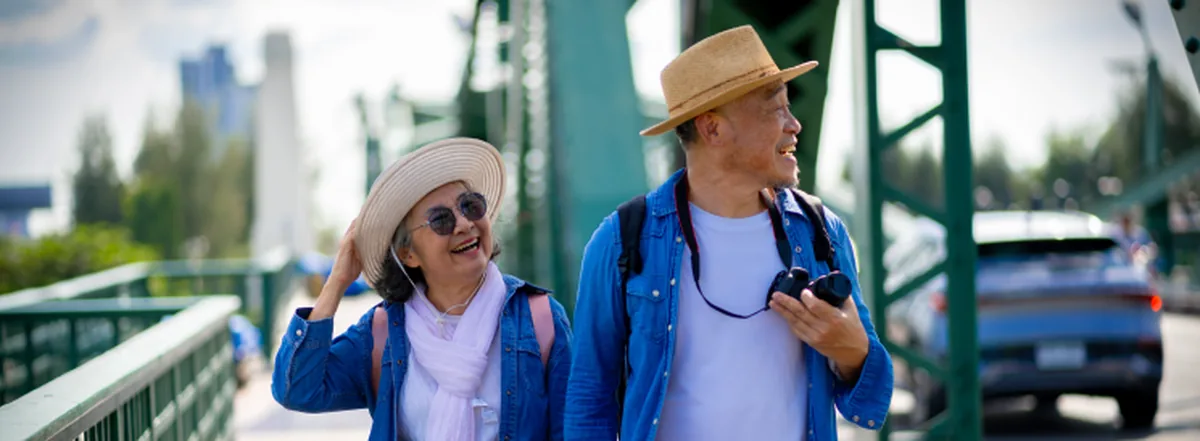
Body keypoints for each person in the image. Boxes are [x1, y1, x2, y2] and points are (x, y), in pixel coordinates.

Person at [564, 25, 893, 440]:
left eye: (790, 107)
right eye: (776, 109)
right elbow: (588, 397)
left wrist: (853, 351)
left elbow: (870, 395)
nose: (794, 124)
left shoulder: (821, 231)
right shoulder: (620, 240)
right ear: (713, 129)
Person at [271, 137, 573, 441]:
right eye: (441, 220)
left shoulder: (539, 319)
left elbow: (573, 430)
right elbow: (297, 390)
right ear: (408, 254)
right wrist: (336, 282)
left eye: (470, 206)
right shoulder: (383, 332)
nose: (464, 224)